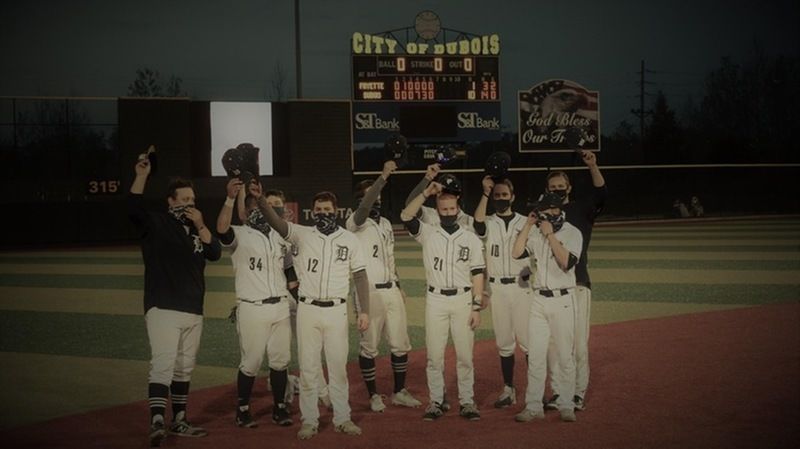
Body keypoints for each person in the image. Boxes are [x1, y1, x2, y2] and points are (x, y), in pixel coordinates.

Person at [258, 186, 370, 440]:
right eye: (318, 210)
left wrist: (364, 311)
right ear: (312, 212)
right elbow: (275, 222)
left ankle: (343, 418)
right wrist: (260, 200)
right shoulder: (300, 234)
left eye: (327, 210)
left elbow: (361, 277)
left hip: (336, 310)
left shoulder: (349, 239)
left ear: (336, 211)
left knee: (338, 368)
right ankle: (309, 420)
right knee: (308, 368)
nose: (322, 213)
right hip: (308, 308)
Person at [128, 152, 222, 447]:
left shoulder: (196, 228)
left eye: (192, 200)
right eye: (183, 199)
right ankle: (157, 420)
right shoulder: (157, 223)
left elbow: (215, 252)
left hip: (193, 307)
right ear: (170, 201)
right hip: (163, 305)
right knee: (164, 364)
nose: (189, 204)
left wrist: (201, 224)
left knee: (184, 367)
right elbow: (133, 210)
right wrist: (142, 176)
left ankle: (179, 419)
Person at [401, 180, 486, 422]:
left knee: (465, 356)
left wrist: (477, 305)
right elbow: (406, 215)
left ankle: (467, 401)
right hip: (436, 299)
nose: (448, 213)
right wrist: (426, 192)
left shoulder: (470, 237)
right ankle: (436, 401)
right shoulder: (428, 233)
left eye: (452, 209)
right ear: (437, 210)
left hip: (462, 299)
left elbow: (478, 272)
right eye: (443, 209)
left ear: (458, 209)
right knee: (434, 356)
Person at [215, 179, 294, 428]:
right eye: (256, 210)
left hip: (280, 306)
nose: (260, 214)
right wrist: (230, 198)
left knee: (281, 361)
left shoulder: (279, 236)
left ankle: (280, 408)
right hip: (252, 307)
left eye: (263, 210)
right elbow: (221, 230)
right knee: (250, 362)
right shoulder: (239, 234)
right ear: (248, 213)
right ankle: (243, 408)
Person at [347, 160, 423, 412]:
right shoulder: (354, 222)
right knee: (369, 346)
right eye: (370, 195)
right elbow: (363, 209)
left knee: (400, 343)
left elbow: (390, 259)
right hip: (367, 292)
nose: (375, 199)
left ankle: (399, 391)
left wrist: (399, 284)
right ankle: (373, 395)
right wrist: (382, 177)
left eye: (378, 195)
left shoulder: (386, 224)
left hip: (390, 290)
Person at [543, 150, 607, 412]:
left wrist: (592, 165)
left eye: (561, 187)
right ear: (546, 190)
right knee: (554, 345)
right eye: (552, 188)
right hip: (551, 286)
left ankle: (578, 392)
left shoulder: (581, 208)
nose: (557, 191)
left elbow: (602, 196)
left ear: (569, 188)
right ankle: (558, 392)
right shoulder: (543, 214)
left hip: (578, 283)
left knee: (579, 344)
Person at [511, 192, 583, 423]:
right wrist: (527, 224)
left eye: (546, 210)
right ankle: (533, 407)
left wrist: (550, 236)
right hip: (539, 300)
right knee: (536, 356)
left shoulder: (573, 232)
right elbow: (516, 252)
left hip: (563, 300)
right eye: (540, 211)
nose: (543, 214)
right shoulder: (535, 232)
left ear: (557, 210)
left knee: (564, 355)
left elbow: (566, 262)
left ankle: (566, 405)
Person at [473, 176, 533, 409]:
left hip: (522, 287)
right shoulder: (488, 221)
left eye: (504, 195)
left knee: (528, 342)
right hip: (497, 288)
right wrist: (486, 193)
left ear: (513, 196)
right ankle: (508, 389)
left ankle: (535, 390)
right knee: (504, 342)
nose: (500, 199)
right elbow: (477, 223)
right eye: (497, 196)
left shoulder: (526, 222)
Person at [405, 163, 475, 232]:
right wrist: (427, 178)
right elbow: (409, 205)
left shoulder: (469, 221)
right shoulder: (429, 215)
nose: (446, 198)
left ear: (458, 196)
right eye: (442, 194)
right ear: (437, 194)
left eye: (450, 195)